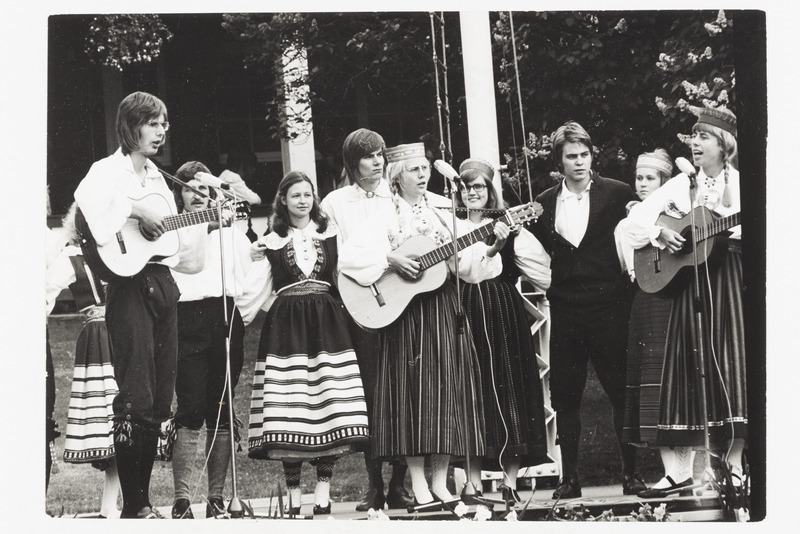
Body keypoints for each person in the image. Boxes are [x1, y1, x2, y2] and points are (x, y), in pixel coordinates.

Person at [73, 91, 223, 519]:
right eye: (154, 123)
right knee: (135, 394)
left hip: (162, 282)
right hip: (129, 286)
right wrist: (136, 208)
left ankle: (143, 503)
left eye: (164, 124)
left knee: (160, 397)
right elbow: (89, 207)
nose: (161, 131)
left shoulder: (160, 176)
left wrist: (204, 220)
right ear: (131, 125)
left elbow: (176, 246)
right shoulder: (106, 170)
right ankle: (134, 505)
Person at [338, 142, 503, 510]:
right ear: (398, 176)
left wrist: (491, 248)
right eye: (414, 169)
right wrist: (390, 257)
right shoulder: (383, 214)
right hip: (406, 314)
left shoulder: (444, 212)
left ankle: (440, 483)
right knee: (412, 395)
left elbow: (467, 267)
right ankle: (417, 483)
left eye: (426, 167)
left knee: (447, 393)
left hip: (443, 308)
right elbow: (349, 258)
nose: (423, 173)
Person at [620, 108, 746, 500]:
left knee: (730, 367)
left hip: (730, 282)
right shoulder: (682, 184)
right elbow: (630, 224)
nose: (694, 143)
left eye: (703, 137)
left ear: (723, 145)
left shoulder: (745, 184)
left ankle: (735, 468)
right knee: (688, 369)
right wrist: (661, 232)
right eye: (692, 137)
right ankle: (679, 474)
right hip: (691, 286)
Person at [239, 171, 370, 516]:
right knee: (291, 406)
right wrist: (232, 322)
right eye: (295, 195)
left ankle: (324, 491)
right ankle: (296, 495)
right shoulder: (271, 242)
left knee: (329, 403)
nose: (302, 200)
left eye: (308, 194)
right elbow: (251, 291)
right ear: (283, 200)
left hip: (328, 326)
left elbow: (349, 273)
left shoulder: (330, 235)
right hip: (287, 329)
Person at [530, 121, 646, 499]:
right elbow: (534, 253)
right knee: (566, 394)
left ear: (592, 156)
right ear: (559, 162)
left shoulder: (617, 193)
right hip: (565, 308)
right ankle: (570, 479)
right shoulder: (544, 202)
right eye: (571, 157)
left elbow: (638, 236)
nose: (579, 163)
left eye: (584, 155)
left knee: (618, 390)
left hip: (610, 306)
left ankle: (632, 474)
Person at [319, 128, 414, 512]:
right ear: (351, 162)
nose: (378, 161)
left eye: (381, 155)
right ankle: (374, 485)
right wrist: (385, 260)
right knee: (372, 393)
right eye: (369, 156)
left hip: (401, 303)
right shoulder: (335, 203)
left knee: (404, 391)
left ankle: (401, 483)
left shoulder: (397, 201)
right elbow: (337, 257)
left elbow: (408, 244)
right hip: (360, 305)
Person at [454, 157, 552, 504]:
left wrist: (511, 250)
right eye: (466, 187)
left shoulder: (511, 224)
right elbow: (459, 271)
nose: (472, 192)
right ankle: (473, 484)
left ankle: (510, 483)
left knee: (510, 388)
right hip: (462, 311)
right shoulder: (451, 225)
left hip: (501, 311)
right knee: (471, 393)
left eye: (479, 186)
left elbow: (543, 273)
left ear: (490, 190)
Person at [168, 161, 254, 519]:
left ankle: (217, 496)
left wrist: (219, 187)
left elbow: (248, 200)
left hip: (225, 312)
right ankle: (182, 499)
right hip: (188, 318)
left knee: (222, 409)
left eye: (202, 189)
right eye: (189, 188)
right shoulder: (175, 231)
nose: (197, 195)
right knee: (190, 408)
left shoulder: (230, 226)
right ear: (180, 193)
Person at [47, 203, 123, 518]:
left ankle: (117, 503)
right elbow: (43, 290)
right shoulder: (71, 257)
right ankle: (109, 505)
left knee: (128, 419)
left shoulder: (123, 251)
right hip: (99, 339)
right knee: (108, 417)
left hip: (130, 335)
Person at [615, 149, 679, 496]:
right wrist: (657, 228)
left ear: (664, 183)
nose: (642, 184)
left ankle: (690, 470)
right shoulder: (633, 219)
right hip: (648, 297)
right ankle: (671, 470)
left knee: (679, 383)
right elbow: (632, 233)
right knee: (655, 384)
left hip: (677, 298)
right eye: (639, 178)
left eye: (650, 178)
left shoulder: (677, 211)